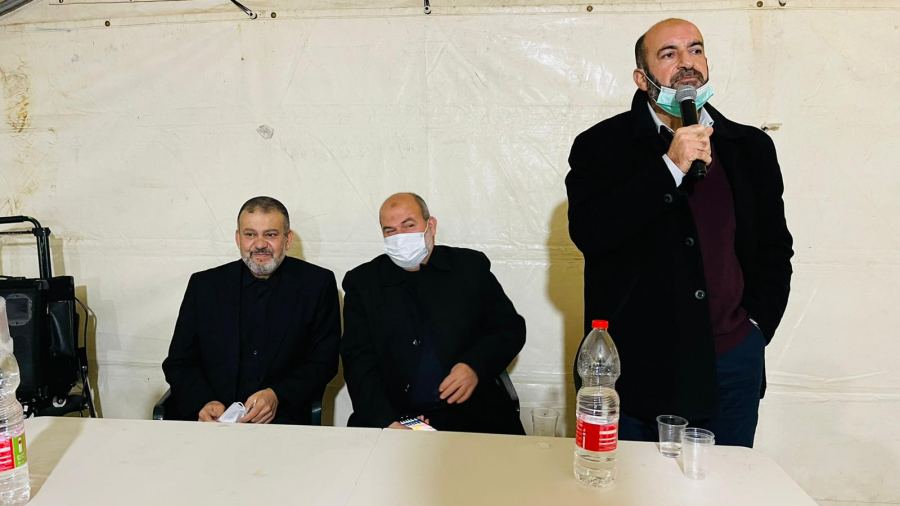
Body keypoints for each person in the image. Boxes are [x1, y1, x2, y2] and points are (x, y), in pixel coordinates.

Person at [565, 19, 793, 447]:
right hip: (639, 368)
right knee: (633, 480)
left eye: (695, 50)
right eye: (669, 54)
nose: (687, 63)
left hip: (730, 362)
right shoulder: (602, 146)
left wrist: (756, 328)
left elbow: (774, 247)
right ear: (642, 78)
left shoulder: (749, 147)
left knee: (726, 479)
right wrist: (669, 167)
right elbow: (591, 234)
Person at [340, 192, 525, 434]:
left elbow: (509, 329)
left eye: (409, 225)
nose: (400, 237)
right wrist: (385, 420)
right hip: (396, 415)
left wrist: (474, 366)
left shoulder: (469, 267)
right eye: (390, 231)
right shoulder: (363, 283)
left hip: (472, 415)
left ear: (431, 225)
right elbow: (357, 359)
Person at [162, 196, 340, 424]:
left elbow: (324, 362)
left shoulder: (317, 284)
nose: (260, 244)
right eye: (250, 234)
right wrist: (204, 402)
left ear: (287, 239)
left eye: (271, 235)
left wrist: (277, 394)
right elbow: (179, 362)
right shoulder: (204, 286)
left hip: (282, 422)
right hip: (211, 424)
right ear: (238, 239)